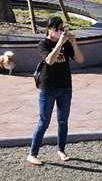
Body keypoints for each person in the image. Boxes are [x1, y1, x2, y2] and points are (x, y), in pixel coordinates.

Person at [27, 16, 84, 166]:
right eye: (57, 29)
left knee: (63, 120)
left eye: (62, 29)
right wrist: (59, 43)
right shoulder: (43, 44)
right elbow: (49, 60)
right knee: (44, 122)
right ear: (48, 29)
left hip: (65, 87)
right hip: (48, 87)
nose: (60, 32)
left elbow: (80, 59)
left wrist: (74, 44)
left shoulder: (66, 44)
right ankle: (32, 154)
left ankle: (61, 150)